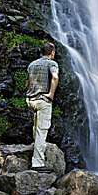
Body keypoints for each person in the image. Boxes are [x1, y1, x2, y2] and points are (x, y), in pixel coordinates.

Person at [25, 42, 59, 172]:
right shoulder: (52, 64)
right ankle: (38, 163)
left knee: (36, 127)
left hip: (30, 100)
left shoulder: (32, 64)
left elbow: (27, 84)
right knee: (42, 131)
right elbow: (55, 77)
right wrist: (51, 94)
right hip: (42, 101)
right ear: (52, 53)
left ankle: (34, 151)